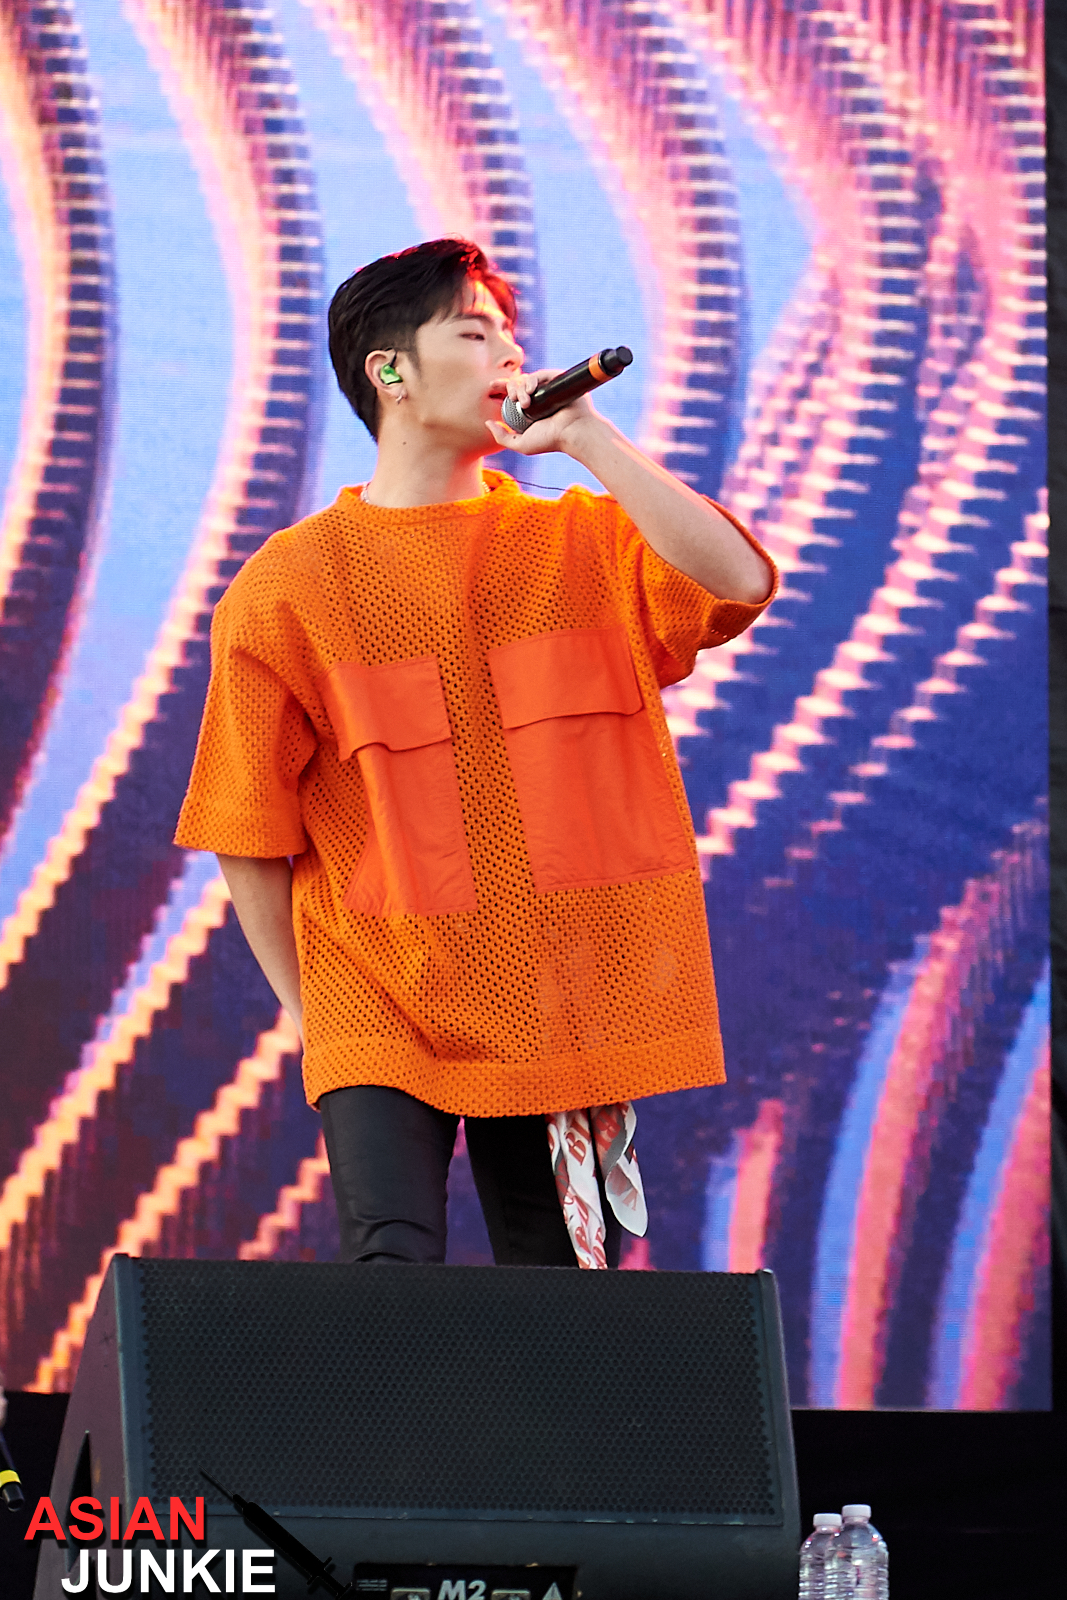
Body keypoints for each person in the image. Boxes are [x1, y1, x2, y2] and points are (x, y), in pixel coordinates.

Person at [174, 238, 776, 1270]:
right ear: (390, 371)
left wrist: (589, 439)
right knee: (391, 1267)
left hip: (553, 992)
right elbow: (247, 830)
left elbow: (739, 583)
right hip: (375, 990)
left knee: (556, 1291)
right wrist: (316, 1015)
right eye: (472, 331)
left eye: (509, 333)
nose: (509, 354)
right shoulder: (288, 588)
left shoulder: (581, 544)